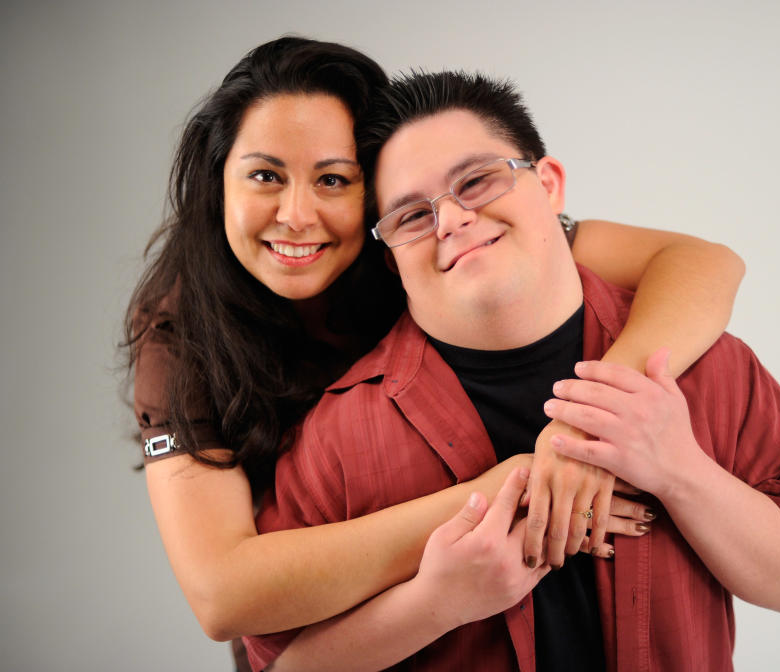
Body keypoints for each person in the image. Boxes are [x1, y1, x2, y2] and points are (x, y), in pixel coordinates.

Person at [123, 37, 745, 665]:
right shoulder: (176, 330)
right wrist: (514, 489)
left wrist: (590, 423)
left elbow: (702, 262)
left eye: (334, 179)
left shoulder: (429, 232)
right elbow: (222, 596)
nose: (297, 215)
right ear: (215, 180)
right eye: (264, 175)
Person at [243, 71, 780, 672]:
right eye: (411, 217)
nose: (450, 220)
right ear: (391, 257)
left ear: (550, 184)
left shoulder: (701, 363)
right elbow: (279, 664)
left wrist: (679, 470)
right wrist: (438, 604)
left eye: (476, 182)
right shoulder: (339, 431)